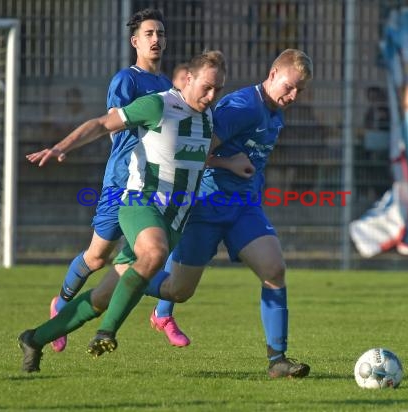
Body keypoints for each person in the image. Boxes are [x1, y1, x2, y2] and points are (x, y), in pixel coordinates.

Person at [18, 49, 227, 372]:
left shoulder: (207, 116)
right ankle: (107, 333)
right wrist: (62, 147)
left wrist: (231, 161)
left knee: (102, 297)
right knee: (154, 253)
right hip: (140, 204)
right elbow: (102, 124)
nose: (212, 95)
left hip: (175, 220)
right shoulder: (158, 104)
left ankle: (34, 339)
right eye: (207, 87)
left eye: (219, 90)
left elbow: (197, 153)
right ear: (188, 79)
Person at [142, 49, 313, 378]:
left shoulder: (275, 111)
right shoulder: (243, 106)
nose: (293, 96)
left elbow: (253, 160)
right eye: (289, 86)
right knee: (179, 290)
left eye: (300, 91)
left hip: (243, 209)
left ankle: (277, 360)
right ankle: (125, 279)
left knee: (274, 269)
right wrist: (228, 163)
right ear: (273, 73)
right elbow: (193, 148)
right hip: (208, 206)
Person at [27, 8, 190, 351]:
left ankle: (164, 311)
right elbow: (114, 127)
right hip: (122, 181)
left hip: (153, 185)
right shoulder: (126, 80)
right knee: (98, 256)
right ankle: (60, 304)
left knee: (161, 245)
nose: (156, 39)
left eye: (160, 33)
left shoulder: (166, 86)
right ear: (135, 41)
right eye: (149, 34)